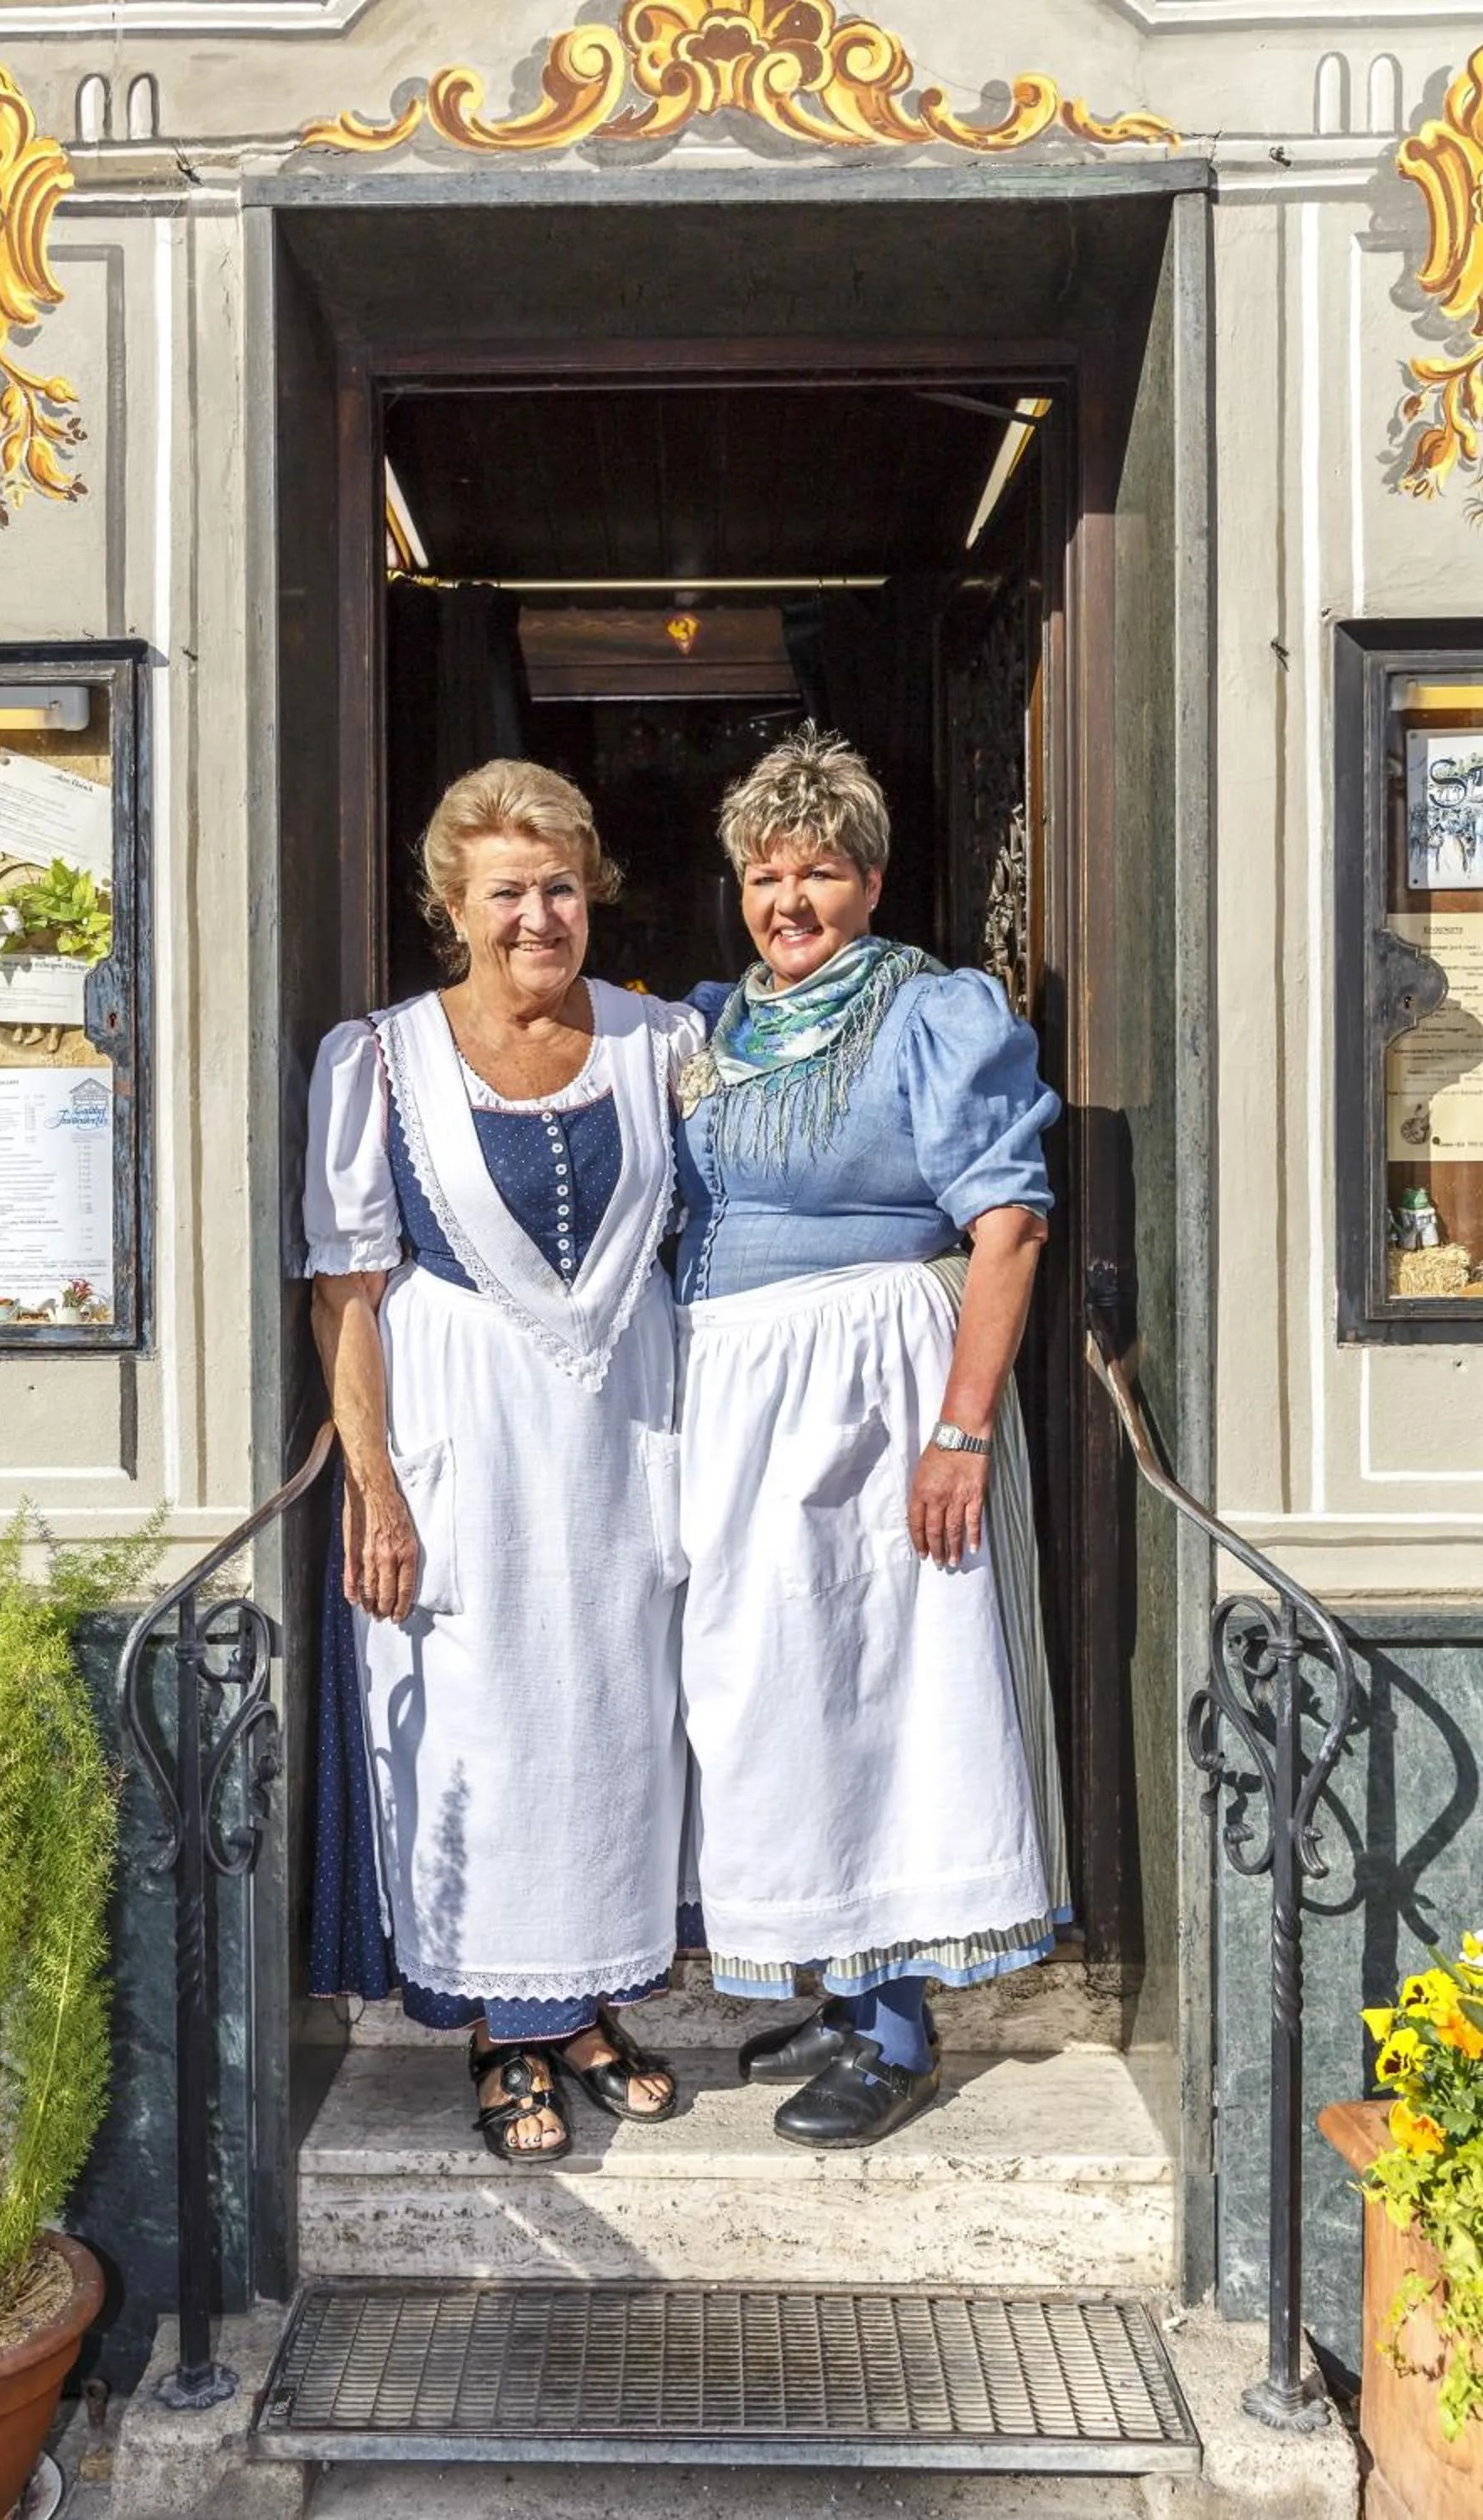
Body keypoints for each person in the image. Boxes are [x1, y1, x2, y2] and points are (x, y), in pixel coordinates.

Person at [674, 727, 1071, 2150]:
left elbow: (1010, 1226)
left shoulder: (933, 1009)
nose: (792, 902)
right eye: (767, 876)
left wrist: (959, 1430)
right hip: (738, 1399)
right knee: (775, 1691)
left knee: (893, 1686)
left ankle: (900, 2025)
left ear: (874, 878)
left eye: (822, 874)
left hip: (879, 1383)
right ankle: (839, 1982)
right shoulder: (715, 1023)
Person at [304, 760, 699, 2164]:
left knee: (612, 1720)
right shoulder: (382, 1058)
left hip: (622, 1436)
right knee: (483, 1721)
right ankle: (502, 2030)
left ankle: (586, 2010)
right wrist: (376, 1485)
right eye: (505, 892)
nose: (538, 916)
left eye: (560, 886)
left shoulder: (666, 1042)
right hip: (462, 1432)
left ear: (592, 893)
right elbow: (346, 1287)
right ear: (451, 909)